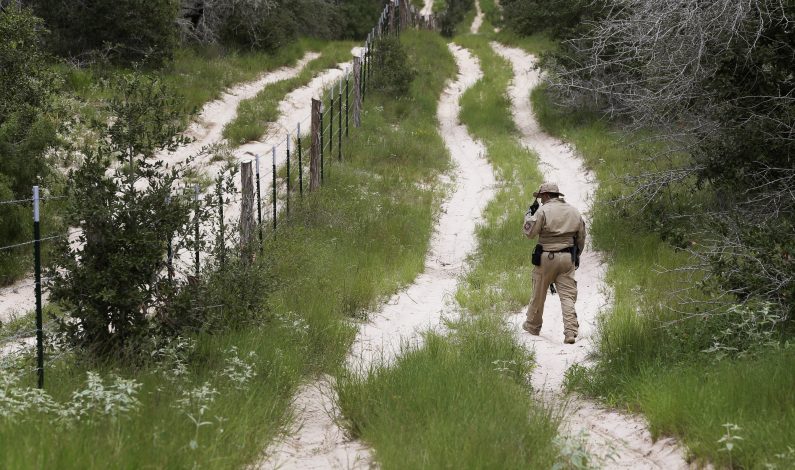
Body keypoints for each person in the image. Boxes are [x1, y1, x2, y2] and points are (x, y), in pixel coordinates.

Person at [522, 182, 586, 344]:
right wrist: (575, 254)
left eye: (541, 197)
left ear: (546, 195)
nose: (541, 201)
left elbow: (529, 233)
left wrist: (528, 216)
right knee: (567, 296)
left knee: (539, 293)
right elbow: (581, 237)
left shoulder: (543, 211)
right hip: (567, 258)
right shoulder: (573, 211)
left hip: (546, 258)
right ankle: (570, 331)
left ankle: (532, 326)